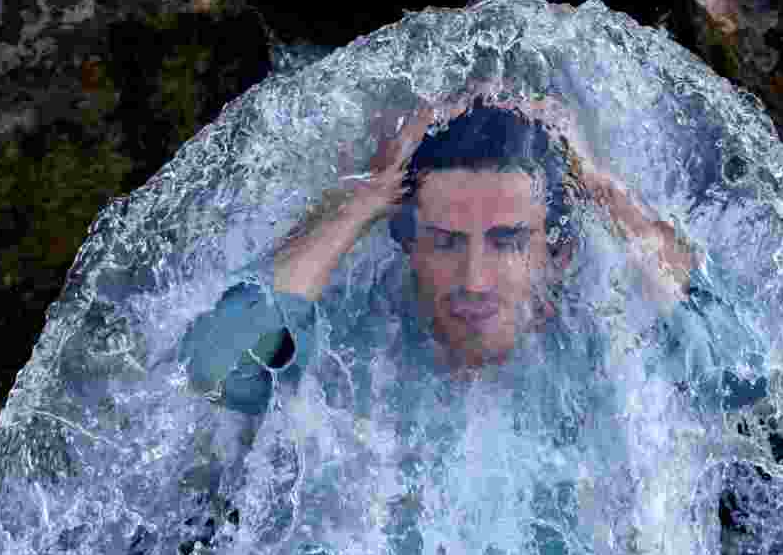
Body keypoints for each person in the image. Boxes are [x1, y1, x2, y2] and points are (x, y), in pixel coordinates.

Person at [180, 89, 699, 415]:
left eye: (508, 242)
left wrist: (605, 194)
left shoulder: (611, 359)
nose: (474, 280)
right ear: (407, 244)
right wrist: (364, 199)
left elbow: (736, 380)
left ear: (559, 252)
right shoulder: (353, 352)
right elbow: (216, 372)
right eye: (446, 242)